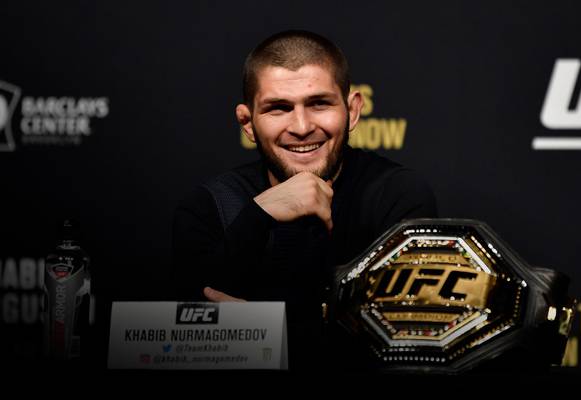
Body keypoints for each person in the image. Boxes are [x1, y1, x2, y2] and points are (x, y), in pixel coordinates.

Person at [171, 30, 437, 371]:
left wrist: (265, 334)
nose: (301, 126)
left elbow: (404, 347)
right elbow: (189, 346)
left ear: (353, 110)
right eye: (278, 108)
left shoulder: (397, 195)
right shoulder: (210, 205)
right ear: (247, 122)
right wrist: (258, 215)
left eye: (319, 103)